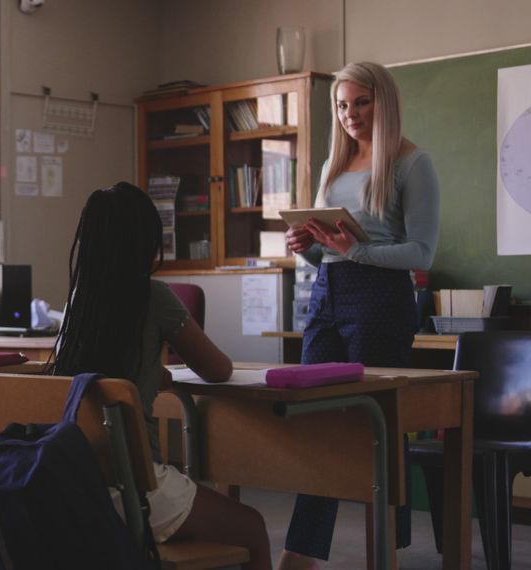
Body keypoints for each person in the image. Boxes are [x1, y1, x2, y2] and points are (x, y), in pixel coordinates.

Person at [50, 182, 272, 569]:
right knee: (252, 527)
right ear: (146, 242)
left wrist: (154, 374)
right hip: (136, 485)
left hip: (77, 483)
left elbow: (104, 373)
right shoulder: (153, 296)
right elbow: (218, 369)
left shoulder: (77, 304)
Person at [279, 61, 441, 570]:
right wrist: (305, 247)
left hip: (381, 302)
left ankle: (384, 554)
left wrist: (355, 252)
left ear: (383, 101)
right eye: (342, 105)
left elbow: (422, 254)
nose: (350, 114)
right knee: (316, 424)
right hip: (327, 293)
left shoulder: (414, 163)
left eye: (361, 103)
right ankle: (300, 555)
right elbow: (332, 250)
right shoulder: (334, 166)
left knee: (375, 430)